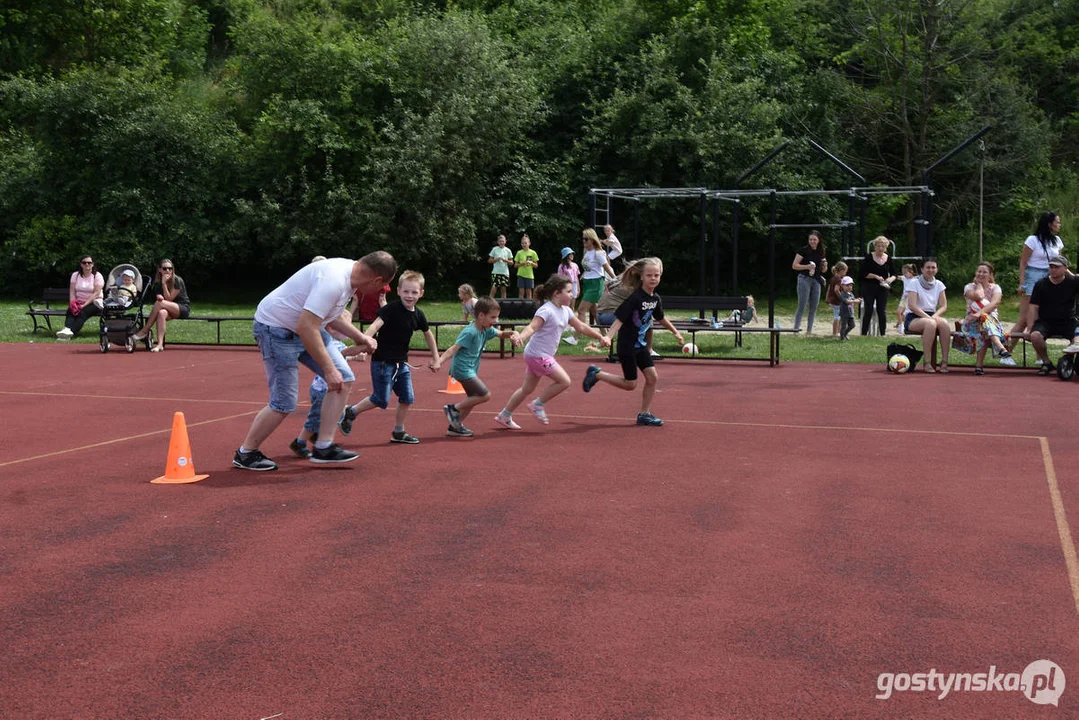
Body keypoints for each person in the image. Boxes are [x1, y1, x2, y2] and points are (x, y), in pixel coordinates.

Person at [232, 251, 396, 471]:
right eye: (382, 288)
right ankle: (246, 453)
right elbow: (306, 326)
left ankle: (324, 447)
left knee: (344, 378)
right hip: (276, 330)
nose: (379, 293)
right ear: (376, 280)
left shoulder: (351, 276)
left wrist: (360, 337)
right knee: (284, 402)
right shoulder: (335, 280)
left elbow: (329, 314)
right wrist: (328, 370)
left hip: (304, 327)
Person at [494, 274, 610, 429]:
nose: (572, 295)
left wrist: (600, 337)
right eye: (568, 292)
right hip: (538, 355)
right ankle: (537, 404)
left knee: (527, 389)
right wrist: (520, 337)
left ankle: (504, 415)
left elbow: (581, 327)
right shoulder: (546, 310)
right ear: (556, 293)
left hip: (536, 354)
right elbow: (532, 327)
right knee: (564, 381)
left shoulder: (566, 311)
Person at [338, 271, 440, 444]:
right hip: (383, 362)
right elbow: (375, 325)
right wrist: (365, 341)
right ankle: (350, 412)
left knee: (407, 398)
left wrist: (436, 357)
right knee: (380, 399)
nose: (409, 296)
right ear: (398, 291)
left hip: (402, 364)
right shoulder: (391, 309)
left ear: (421, 293)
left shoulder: (419, 315)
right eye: (406, 291)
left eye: (414, 292)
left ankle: (398, 432)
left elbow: (428, 334)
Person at [582, 257, 685, 426]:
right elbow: (619, 320)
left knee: (652, 378)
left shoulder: (655, 298)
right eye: (649, 275)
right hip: (627, 346)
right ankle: (597, 374)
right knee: (630, 384)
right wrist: (608, 336)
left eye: (656, 275)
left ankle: (644, 414)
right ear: (641, 277)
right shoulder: (635, 298)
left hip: (640, 346)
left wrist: (675, 332)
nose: (653, 278)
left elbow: (660, 317)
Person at [435, 296, 520, 437]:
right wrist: (439, 361)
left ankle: (455, 426)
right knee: (485, 395)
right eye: (493, 317)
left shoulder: (486, 329)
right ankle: (453, 409)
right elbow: (453, 349)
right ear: (481, 316)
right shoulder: (470, 332)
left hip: (470, 369)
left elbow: (501, 334)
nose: (495, 321)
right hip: (462, 369)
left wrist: (514, 333)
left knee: (473, 397)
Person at [1009, 212, 1065, 349]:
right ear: (1049, 224)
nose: (1059, 225)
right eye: (1057, 222)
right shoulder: (1032, 240)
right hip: (1033, 275)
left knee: (1041, 318)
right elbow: (1023, 263)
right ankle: (1006, 351)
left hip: (1050, 276)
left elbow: (1060, 262)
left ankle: (1040, 354)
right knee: (1024, 318)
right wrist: (1022, 283)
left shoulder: (1057, 240)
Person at [952, 262, 1016, 375]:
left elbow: (995, 303)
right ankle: (1001, 349)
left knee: (984, 324)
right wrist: (979, 285)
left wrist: (980, 313)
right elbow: (978, 296)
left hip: (991, 322)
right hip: (971, 323)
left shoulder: (996, 288)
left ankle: (979, 367)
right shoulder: (969, 287)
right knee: (983, 325)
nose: (981, 274)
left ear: (990, 275)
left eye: (984, 272)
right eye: (979, 271)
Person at [1028, 255, 1079, 375]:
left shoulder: (1073, 282)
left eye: (1056, 267)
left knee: (1077, 337)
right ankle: (1046, 362)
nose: (1053, 269)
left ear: (1065, 268)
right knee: (1035, 336)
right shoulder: (1041, 284)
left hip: (1068, 320)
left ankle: (1068, 360)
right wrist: (1030, 327)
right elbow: (1033, 307)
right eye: (1051, 267)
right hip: (1046, 321)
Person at [903, 258, 950, 373]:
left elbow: (943, 306)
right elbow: (912, 305)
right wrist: (929, 318)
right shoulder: (914, 283)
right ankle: (927, 362)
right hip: (915, 316)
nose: (930, 270)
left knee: (944, 323)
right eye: (928, 267)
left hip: (932, 315)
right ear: (922, 269)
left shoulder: (939, 284)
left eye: (933, 267)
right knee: (930, 323)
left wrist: (935, 316)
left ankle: (944, 361)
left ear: (937, 269)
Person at [133, 259, 190, 352]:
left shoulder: (177, 280)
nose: (167, 270)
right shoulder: (157, 283)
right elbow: (161, 298)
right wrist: (159, 295)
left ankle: (145, 330)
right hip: (166, 308)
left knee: (160, 304)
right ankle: (159, 344)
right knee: (161, 313)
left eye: (170, 268)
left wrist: (164, 284)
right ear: (160, 269)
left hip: (181, 308)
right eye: (165, 268)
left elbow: (169, 299)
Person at [56, 255, 105, 338]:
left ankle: (70, 333)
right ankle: (67, 330)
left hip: (94, 302)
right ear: (81, 264)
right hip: (79, 301)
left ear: (93, 264)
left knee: (82, 313)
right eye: (84, 262)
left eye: (89, 262)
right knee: (71, 311)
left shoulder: (97, 276)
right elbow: (72, 291)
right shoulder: (75, 275)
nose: (87, 264)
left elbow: (96, 293)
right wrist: (73, 303)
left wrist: (84, 305)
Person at [792, 230, 827, 334]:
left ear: (819, 240)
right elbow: (794, 265)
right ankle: (796, 329)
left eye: (814, 239)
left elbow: (824, 270)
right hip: (804, 279)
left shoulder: (822, 251)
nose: (812, 241)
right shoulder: (803, 250)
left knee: (814, 306)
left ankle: (809, 331)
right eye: (810, 239)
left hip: (816, 280)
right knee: (802, 305)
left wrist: (825, 266)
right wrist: (807, 267)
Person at [577, 228, 614, 327]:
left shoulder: (598, 253)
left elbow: (607, 268)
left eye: (586, 239)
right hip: (587, 283)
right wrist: (584, 274)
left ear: (592, 240)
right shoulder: (586, 252)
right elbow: (589, 267)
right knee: (595, 312)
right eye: (583, 239)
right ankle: (605, 336)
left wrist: (616, 279)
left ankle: (576, 337)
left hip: (596, 283)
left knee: (581, 310)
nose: (583, 241)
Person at [859, 236, 896, 336]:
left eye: (883, 246)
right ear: (875, 246)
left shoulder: (888, 259)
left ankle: (883, 334)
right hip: (869, 287)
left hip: (882, 288)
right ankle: (863, 334)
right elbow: (862, 273)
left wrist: (890, 279)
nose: (880, 248)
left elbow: (894, 274)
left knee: (882, 311)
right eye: (879, 246)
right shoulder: (868, 257)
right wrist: (875, 276)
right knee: (868, 310)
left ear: (886, 247)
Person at [558, 247, 581, 344]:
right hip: (566, 286)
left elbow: (576, 277)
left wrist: (578, 287)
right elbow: (560, 278)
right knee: (565, 306)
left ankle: (571, 325)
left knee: (572, 306)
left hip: (574, 285)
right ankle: (563, 325)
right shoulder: (562, 266)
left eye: (572, 253)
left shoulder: (575, 265)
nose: (572, 255)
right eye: (570, 254)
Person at [825, 261, 849, 337]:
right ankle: (835, 332)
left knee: (838, 316)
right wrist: (842, 298)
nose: (845, 273)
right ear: (842, 270)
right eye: (845, 271)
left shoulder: (833, 278)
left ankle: (837, 331)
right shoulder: (838, 279)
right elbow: (836, 289)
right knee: (837, 317)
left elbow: (829, 288)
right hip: (836, 301)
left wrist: (827, 297)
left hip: (832, 299)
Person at [514, 233, 539, 299]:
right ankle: (520, 308)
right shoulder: (519, 252)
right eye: (522, 243)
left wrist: (531, 263)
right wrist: (522, 263)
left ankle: (529, 308)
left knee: (529, 292)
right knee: (521, 292)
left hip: (529, 275)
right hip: (520, 275)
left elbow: (536, 266)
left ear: (529, 243)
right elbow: (515, 265)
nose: (524, 244)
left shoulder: (533, 253)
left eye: (525, 243)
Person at [488, 234, 514, 298]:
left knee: (503, 289)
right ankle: (489, 303)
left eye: (503, 241)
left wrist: (505, 260)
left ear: (505, 241)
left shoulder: (508, 250)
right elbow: (489, 260)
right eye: (500, 241)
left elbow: (512, 263)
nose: (501, 242)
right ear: (498, 242)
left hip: (505, 272)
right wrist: (496, 259)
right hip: (495, 272)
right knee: (494, 289)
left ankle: (504, 304)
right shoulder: (494, 249)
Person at [895, 264, 918, 332]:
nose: (904, 274)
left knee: (906, 314)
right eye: (903, 273)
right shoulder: (904, 278)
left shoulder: (916, 279)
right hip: (904, 298)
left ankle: (901, 325)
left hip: (911, 299)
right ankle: (900, 325)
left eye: (905, 273)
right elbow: (896, 277)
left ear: (911, 272)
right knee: (898, 312)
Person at [838, 276, 859, 341]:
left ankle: (845, 334)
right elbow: (847, 301)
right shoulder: (843, 294)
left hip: (850, 313)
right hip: (844, 313)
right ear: (842, 286)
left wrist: (858, 299)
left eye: (850, 285)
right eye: (847, 285)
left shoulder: (851, 294)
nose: (849, 287)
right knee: (843, 326)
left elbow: (853, 299)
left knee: (852, 325)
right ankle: (842, 337)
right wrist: (855, 301)